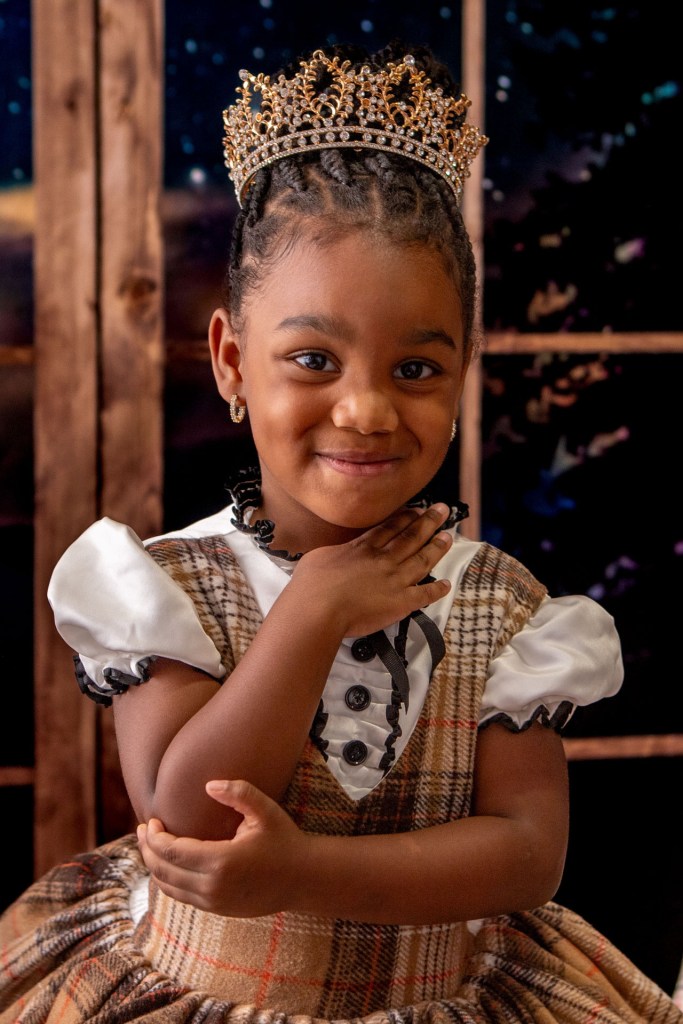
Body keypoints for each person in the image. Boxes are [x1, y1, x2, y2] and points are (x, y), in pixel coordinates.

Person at [0, 39, 680, 1024]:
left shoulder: (499, 606)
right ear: (233, 362)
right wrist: (311, 611)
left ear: (459, 374)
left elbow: (528, 854)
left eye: (414, 369)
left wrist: (304, 871)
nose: (363, 410)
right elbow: (186, 812)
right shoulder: (166, 587)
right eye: (312, 357)